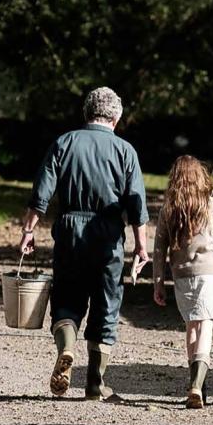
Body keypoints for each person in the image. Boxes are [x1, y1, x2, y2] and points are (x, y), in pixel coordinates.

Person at [19, 87, 150, 401]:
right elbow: (137, 205)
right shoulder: (125, 151)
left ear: (86, 112)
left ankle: (66, 347)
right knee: (107, 306)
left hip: (69, 230)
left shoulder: (64, 143)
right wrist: (141, 247)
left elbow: (41, 194)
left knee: (66, 297)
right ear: (116, 118)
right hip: (107, 234)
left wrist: (27, 231)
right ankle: (94, 384)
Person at [152, 155, 213, 409]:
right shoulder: (212, 205)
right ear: (201, 178)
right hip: (209, 275)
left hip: (182, 277)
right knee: (206, 325)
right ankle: (198, 385)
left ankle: (196, 384)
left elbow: (159, 250)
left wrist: (158, 283)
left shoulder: (168, 209)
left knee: (191, 327)